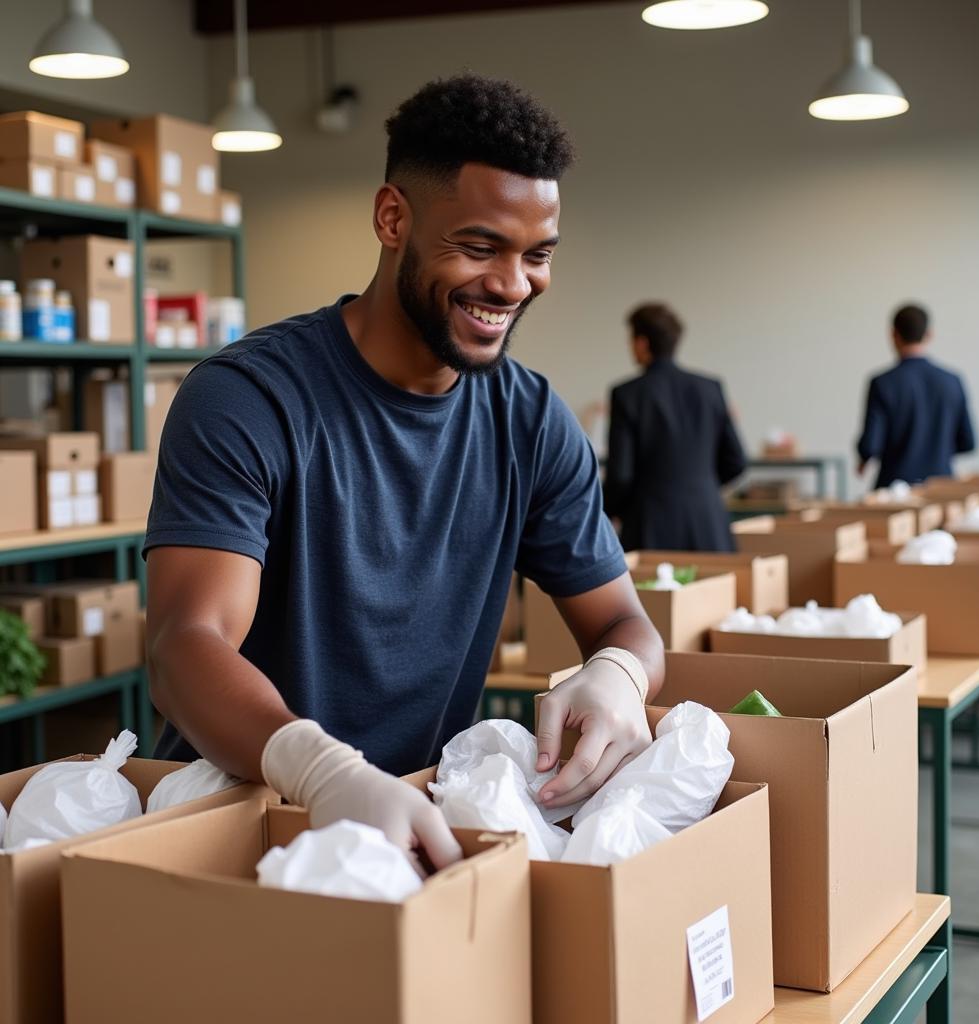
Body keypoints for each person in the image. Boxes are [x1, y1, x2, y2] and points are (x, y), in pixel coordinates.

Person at [143, 75, 664, 874]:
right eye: (481, 246)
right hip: (233, 823)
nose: (513, 285)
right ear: (394, 219)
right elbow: (186, 645)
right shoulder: (249, 399)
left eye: (538, 255)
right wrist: (323, 771)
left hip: (415, 828)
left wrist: (620, 676)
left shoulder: (530, 422)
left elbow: (625, 622)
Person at [603, 303, 747, 552]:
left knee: (651, 592)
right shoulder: (710, 389)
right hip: (709, 524)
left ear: (642, 343)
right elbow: (736, 461)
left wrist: (606, 511)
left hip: (650, 526)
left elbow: (620, 475)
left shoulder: (627, 395)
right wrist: (702, 486)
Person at [856, 303, 976, 487]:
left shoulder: (882, 383)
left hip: (894, 490)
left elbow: (870, 445)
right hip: (942, 488)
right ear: (929, 335)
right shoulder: (952, 381)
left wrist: (863, 460)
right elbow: (968, 442)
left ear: (893, 334)